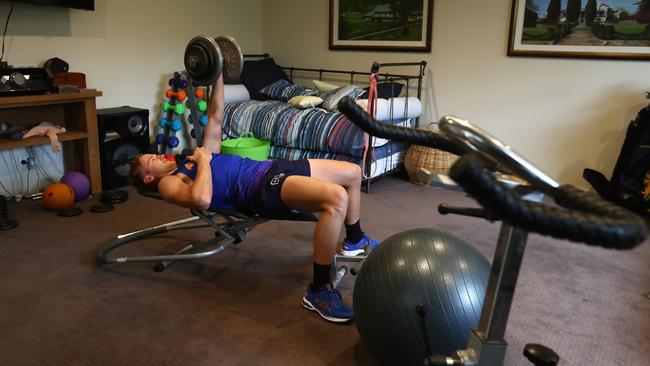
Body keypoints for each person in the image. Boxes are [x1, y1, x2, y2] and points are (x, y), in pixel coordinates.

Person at [130, 75, 379, 323]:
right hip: (259, 190)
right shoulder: (170, 183)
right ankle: (319, 290)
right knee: (335, 198)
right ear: (149, 178)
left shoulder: (189, 160)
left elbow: (216, 115)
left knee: (352, 172)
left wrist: (218, 73)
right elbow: (203, 199)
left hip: (271, 168)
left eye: (153, 154)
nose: (157, 156)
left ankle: (354, 240)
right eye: (150, 161)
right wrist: (204, 160)